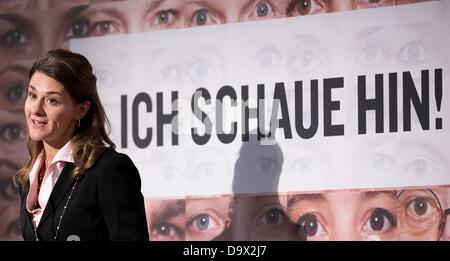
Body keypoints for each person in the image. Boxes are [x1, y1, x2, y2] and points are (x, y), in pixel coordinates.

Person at [14, 48, 149, 241]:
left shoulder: (108, 169)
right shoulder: (28, 179)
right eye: (32, 95)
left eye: (52, 100)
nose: (36, 109)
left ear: (81, 110)